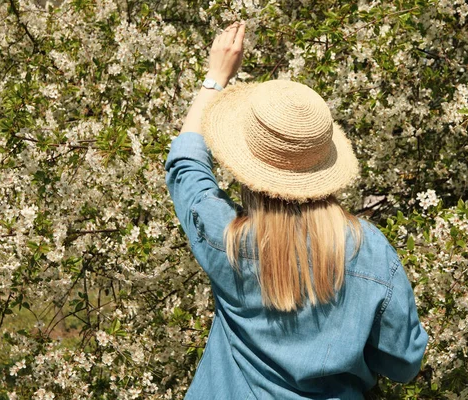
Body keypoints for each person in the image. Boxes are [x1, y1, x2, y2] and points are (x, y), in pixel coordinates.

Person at [165, 21, 428, 400]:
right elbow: (404, 363)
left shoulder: (227, 239)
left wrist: (215, 77)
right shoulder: (369, 251)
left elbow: (185, 162)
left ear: (248, 167)